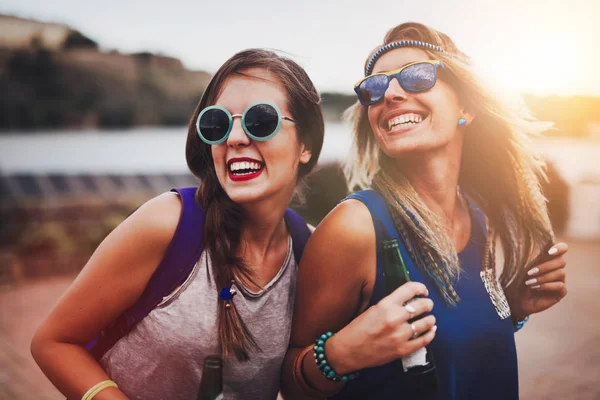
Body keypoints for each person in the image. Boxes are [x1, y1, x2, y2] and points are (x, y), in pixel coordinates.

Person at [281, 22, 568, 399]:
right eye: (375, 87)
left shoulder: (478, 218)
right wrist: (338, 356)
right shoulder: (356, 227)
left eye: (417, 76)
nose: (391, 94)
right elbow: (289, 383)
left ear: (466, 105)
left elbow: (456, 354)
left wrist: (511, 310)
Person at [31, 48, 324, 400]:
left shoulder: (311, 252)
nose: (233, 138)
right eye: (217, 124)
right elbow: (54, 342)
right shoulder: (167, 224)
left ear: (305, 144)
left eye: (260, 121)